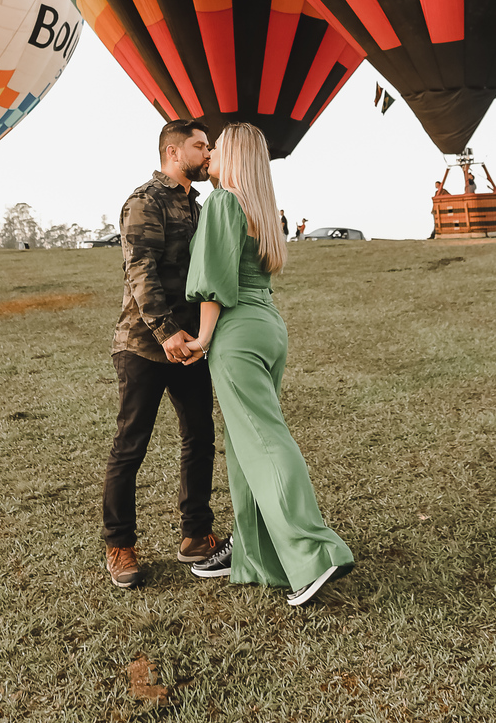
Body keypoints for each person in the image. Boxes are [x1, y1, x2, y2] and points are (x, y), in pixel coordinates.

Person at [183, 123, 354, 608]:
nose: (209, 154)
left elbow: (214, 279)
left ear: (233, 156)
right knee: (246, 448)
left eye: (217, 147)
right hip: (269, 325)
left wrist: (203, 337)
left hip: (237, 329)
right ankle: (262, 556)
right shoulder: (261, 209)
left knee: (262, 441)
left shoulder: (222, 201)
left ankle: (314, 553)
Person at [103, 120, 220, 591]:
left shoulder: (199, 205)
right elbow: (140, 268)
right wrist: (165, 330)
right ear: (173, 151)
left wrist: (197, 336)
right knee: (131, 446)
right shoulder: (145, 200)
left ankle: (195, 534)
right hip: (143, 344)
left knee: (200, 437)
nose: (207, 152)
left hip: (190, 345)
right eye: (199, 145)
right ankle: (120, 544)